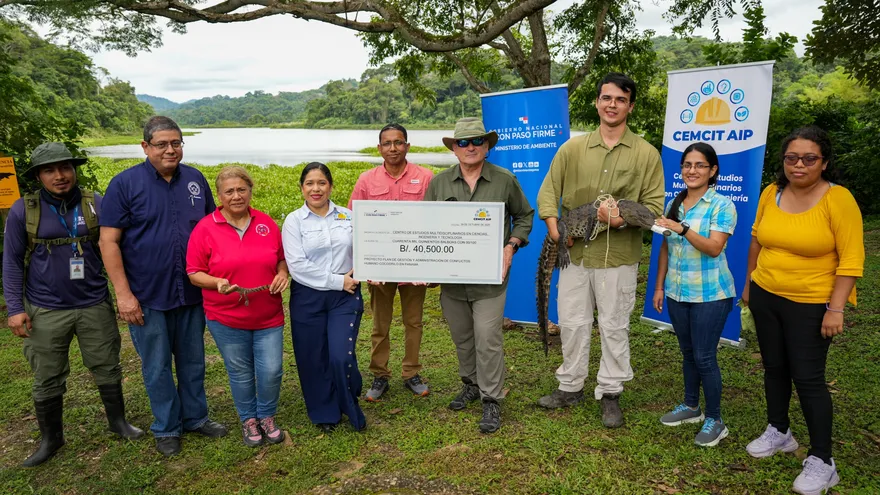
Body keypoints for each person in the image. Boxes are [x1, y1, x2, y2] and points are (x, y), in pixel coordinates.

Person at [535, 72, 664, 428]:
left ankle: (610, 392)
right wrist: (555, 230)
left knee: (614, 325)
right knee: (574, 323)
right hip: (574, 255)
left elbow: (653, 207)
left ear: (630, 106)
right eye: (606, 98)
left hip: (619, 258)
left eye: (620, 100)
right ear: (597, 102)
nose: (612, 105)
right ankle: (570, 386)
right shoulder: (572, 149)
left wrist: (618, 219)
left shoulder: (646, 154)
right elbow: (548, 193)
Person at [2, 143, 143, 467]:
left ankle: (118, 422)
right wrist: (14, 308)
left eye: (65, 167)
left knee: (107, 365)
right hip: (46, 308)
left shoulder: (96, 203)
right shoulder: (25, 209)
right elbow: (11, 261)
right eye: (50, 170)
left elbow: (118, 247)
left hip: (94, 303)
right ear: (38, 175)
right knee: (48, 375)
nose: (60, 175)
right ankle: (51, 439)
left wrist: (127, 293)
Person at [742, 126, 864, 495]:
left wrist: (836, 309)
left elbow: (852, 260)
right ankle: (779, 430)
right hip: (767, 294)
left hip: (812, 303)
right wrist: (750, 284)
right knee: (774, 367)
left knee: (808, 377)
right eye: (792, 157)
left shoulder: (837, 199)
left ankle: (823, 460)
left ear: (824, 162)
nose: (799, 165)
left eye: (809, 158)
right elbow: (755, 238)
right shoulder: (771, 192)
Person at [99, 116, 228, 457]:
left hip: (191, 292)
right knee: (156, 365)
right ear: (145, 147)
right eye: (162, 144)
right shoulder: (124, 185)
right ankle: (167, 427)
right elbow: (108, 241)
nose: (171, 150)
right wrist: (123, 295)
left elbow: (212, 231)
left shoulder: (196, 180)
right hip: (147, 294)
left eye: (176, 143)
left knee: (193, 360)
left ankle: (196, 418)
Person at [424, 117, 534, 434]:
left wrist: (511, 246)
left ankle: (491, 400)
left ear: (486, 146)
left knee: (488, 339)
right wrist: (424, 266)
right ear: (454, 149)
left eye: (477, 141)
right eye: (463, 142)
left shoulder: (504, 180)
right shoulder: (439, 183)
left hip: (490, 280)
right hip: (453, 280)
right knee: (463, 338)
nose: (470, 147)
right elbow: (426, 227)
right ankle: (470, 384)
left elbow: (524, 216)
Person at [186, 166, 289, 447]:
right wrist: (216, 282)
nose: (236, 196)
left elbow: (280, 259)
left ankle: (267, 416)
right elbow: (194, 272)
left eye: (241, 189)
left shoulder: (266, 223)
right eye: (229, 191)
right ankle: (249, 420)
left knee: (271, 369)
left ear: (250, 191)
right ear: (219, 195)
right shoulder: (205, 228)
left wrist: (282, 273)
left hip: (268, 315)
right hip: (226, 317)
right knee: (240, 371)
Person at [651, 142, 736, 447]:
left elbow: (714, 248)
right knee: (688, 353)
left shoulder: (721, 205)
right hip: (677, 291)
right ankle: (691, 407)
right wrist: (660, 286)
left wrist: (682, 228)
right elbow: (665, 248)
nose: (692, 170)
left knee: (704, 356)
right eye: (687, 164)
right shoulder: (674, 204)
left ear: (713, 171)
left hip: (711, 294)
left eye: (700, 165)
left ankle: (715, 419)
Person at [348, 123, 434, 401]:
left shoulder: (426, 177)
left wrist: (432, 266)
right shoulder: (366, 180)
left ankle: (411, 372)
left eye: (398, 143)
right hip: (380, 268)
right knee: (380, 324)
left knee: (414, 322)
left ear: (407, 146)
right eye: (387, 143)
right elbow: (354, 223)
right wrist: (365, 266)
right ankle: (380, 374)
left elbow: (438, 220)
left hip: (416, 266)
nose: (393, 148)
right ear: (379, 148)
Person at [283, 162, 366, 432]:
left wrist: (361, 270)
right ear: (302, 188)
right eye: (310, 183)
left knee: (341, 355)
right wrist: (337, 281)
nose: (316, 189)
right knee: (312, 357)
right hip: (308, 296)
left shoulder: (348, 216)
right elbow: (297, 266)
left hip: (346, 295)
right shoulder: (294, 221)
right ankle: (324, 414)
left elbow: (365, 249)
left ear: (330, 186)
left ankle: (349, 401)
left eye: (321, 183)